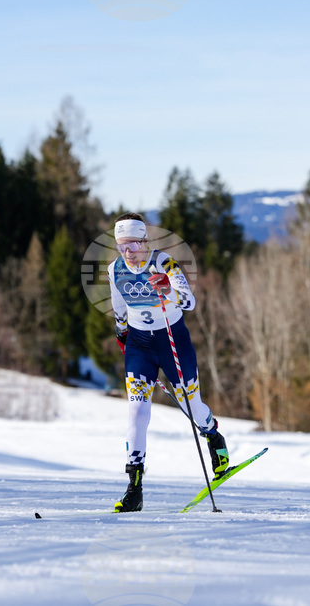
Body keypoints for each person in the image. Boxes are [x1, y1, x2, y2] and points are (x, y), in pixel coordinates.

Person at [107, 213, 228, 513]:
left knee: (191, 406)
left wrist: (168, 290)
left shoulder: (164, 264)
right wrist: (122, 332)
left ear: (145, 240)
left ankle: (212, 433)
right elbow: (119, 305)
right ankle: (134, 489)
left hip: (173, 339)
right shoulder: (114, 270)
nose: (128, 251)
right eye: (122, 245)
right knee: (137, 412)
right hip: (140, 345)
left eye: (134, 243)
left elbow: (189, 302)